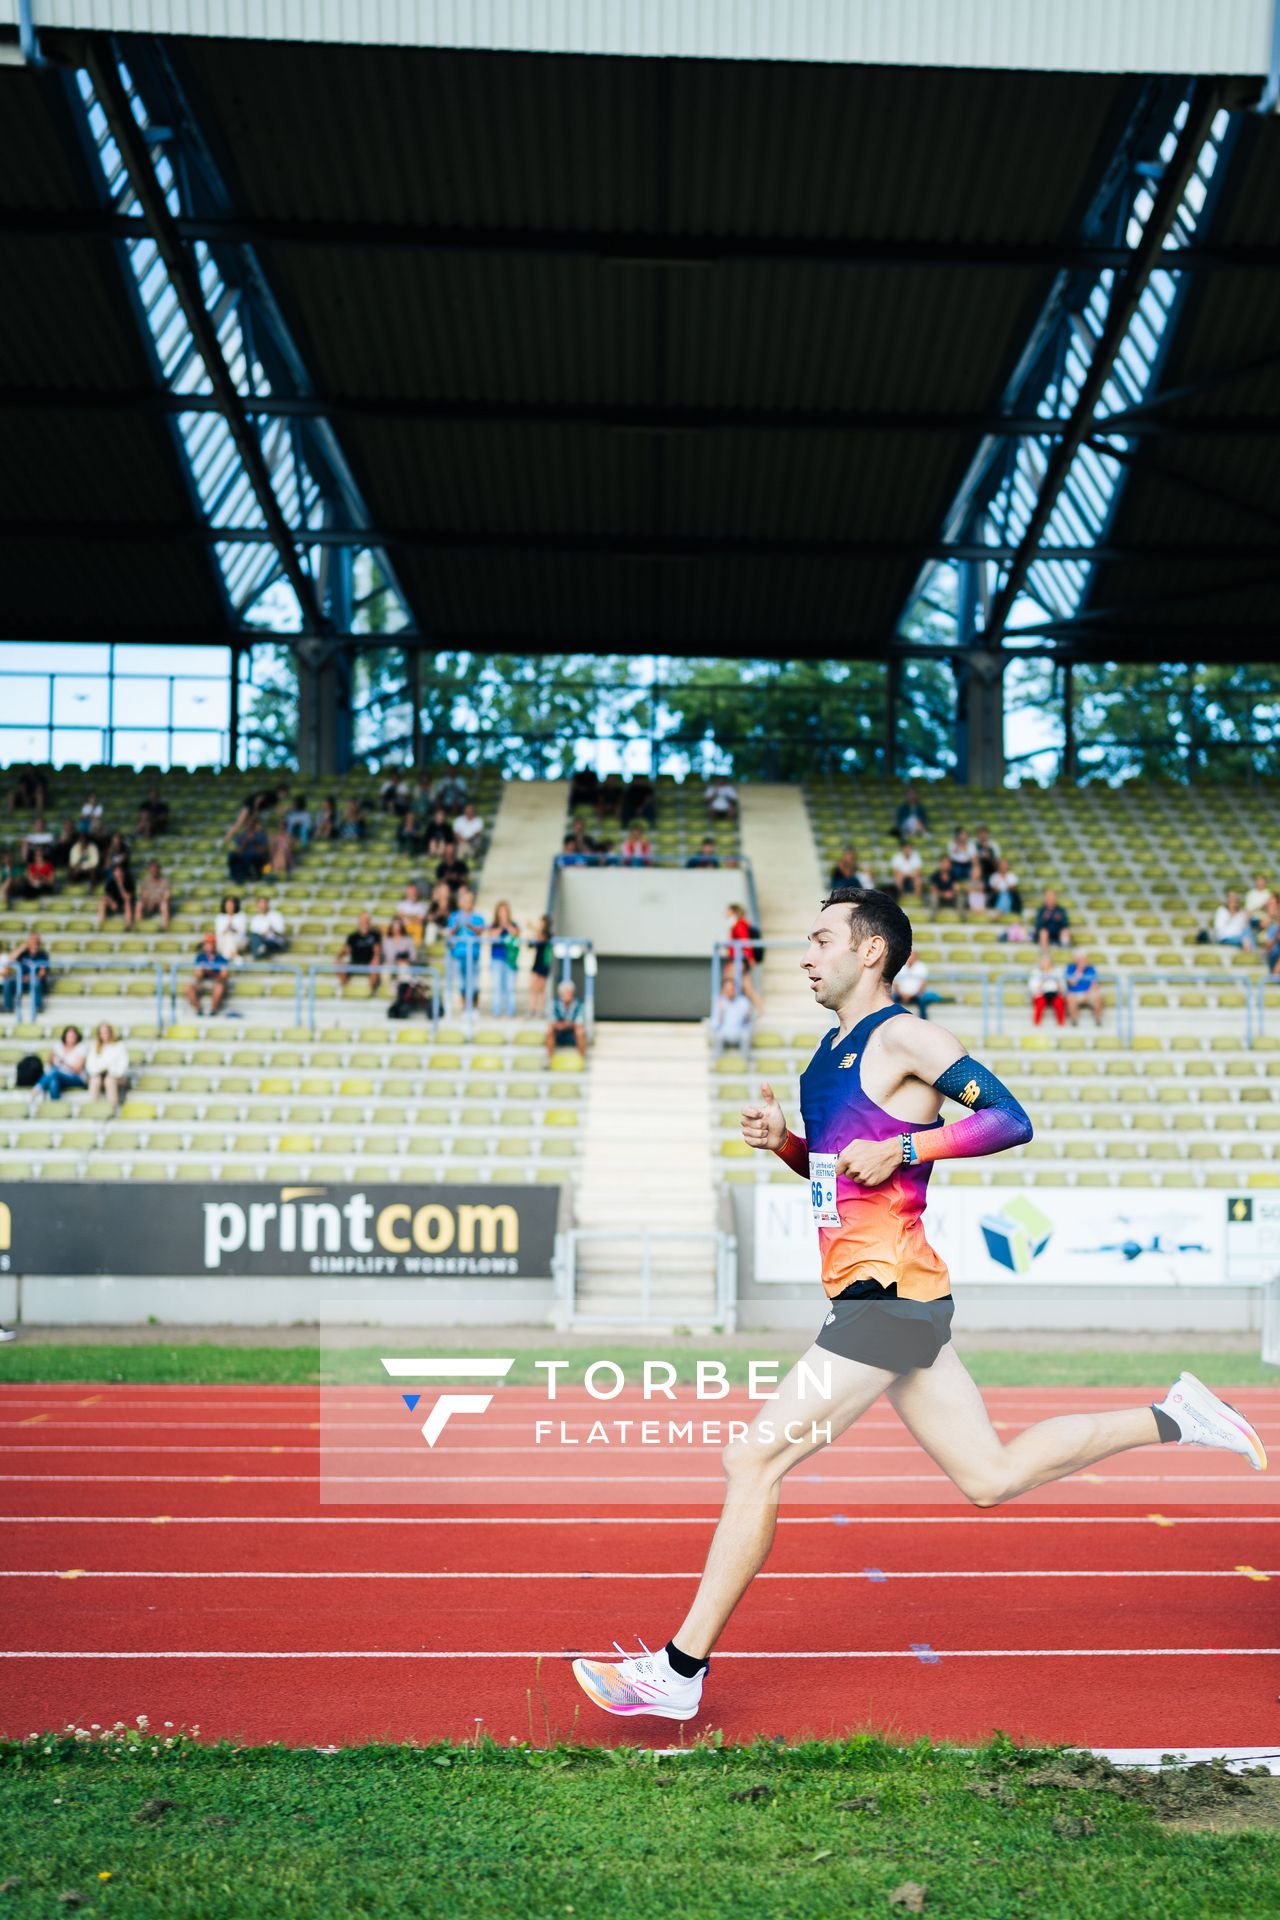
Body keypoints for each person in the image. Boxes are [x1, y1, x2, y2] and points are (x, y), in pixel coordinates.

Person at [570, 885, 1267, 1724]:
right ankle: (1175, 1414)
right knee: (991, 1475)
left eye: (821, 938)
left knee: (752, 1461)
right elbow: (845, 1175)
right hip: (895, 1295)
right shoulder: (829, 1053)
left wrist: (906, 1142)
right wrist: (787, 1144)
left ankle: (679, 1670)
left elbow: (1011, 1120)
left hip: (888, 1296)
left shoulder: (905, 1034)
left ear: (870, 952)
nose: (804, 954)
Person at [445, 886, 486, 1012]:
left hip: (473, 954)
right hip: (459, 954)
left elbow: (480, 931)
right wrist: (457, 926)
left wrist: (470, 925)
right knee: (462, 983)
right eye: (465, 900)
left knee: (473, 982)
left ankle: (474, 1008)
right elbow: (450, 933)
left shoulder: (478, 917)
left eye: (470, 900)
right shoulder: (454, 916)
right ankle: (464, 1008)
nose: (468, 903)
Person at [30, 1024, 88, 1112]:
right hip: (58, 1076)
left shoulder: (81, 1048)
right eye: (69, 1035)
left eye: (73, 1035)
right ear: (65, 1036)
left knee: (54, 1073)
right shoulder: (58, 1046)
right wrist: (52, 1058)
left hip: (76, 1078)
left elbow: (78, 1069)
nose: (71, 1037)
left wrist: (64, 1062)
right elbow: (50, 1063)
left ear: (77, 1037)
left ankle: (37, 1088)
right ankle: (56, 1107)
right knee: (53, 1080)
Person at [726, 902, 765, 1014]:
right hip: (740, 960)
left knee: (727, 983)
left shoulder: (740, 924)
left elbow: (745, 942)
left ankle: (724, 1013)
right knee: (748, 989)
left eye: (728, 911)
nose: (725, 913)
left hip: (740, 960)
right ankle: (762, 1011)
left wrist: (750, 958)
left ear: (733, 912)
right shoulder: (739, 924)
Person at [85, 1021, 129, 1117]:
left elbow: (123, 1065)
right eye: (102, 1032)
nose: (105, 1034)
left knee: (109, 1080)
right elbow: (90, 1065)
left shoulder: (119, 1046)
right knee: (95, 1080)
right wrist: (99, 1071)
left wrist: (111, 1071)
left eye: (106, 1032)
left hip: (116, 1076)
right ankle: (93, 1109)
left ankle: (112, 1109)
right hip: (99, 1075)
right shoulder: (95, 1046)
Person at [1, 930, 50, 1014]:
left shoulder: (43, 954)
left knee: (37, 982)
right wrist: (21, 948)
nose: (33, 941)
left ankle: (38, 1006)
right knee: (7, 982)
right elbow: (10, 960)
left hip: (34, 980)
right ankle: (8, 1006)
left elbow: (42, 972)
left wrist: (31, 977)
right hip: (20, 980)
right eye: (32, 939)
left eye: (35, 939)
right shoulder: (23, 953)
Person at [487, 901, 522, 1018]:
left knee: (510, 986)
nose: (503, 914)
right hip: (497, 958)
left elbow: (516, 934)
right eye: (501, 911)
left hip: (510, 960)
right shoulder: (493, 925)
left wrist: (507, 925)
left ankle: (510, 1011)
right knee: (497, 986)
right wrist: (501, 926)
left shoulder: (514, 925)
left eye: (505, 911)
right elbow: (492, 936)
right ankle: (496, 1011)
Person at [183, 933, 231, 1016]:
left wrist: (211, 971)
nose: (208, 946)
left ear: (214, 945)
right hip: (203, 981)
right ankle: (198, 1009)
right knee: (188, 988)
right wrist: (203, 971)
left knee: (219, 987)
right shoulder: (200, 958)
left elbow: (224, 975)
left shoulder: (221, 959)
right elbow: (197, 975)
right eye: (207, 943)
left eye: (210, 943)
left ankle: (213, 1010)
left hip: (215, 982)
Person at [709, 975, 753, 1062]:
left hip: (738, 1032)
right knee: (718, 1036)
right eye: (727, 990)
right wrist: (721, 1012)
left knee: (746, 1036)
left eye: (732, 989)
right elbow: (715, 1025)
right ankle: (718, 1063)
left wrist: (747, 1016)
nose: (730, 992)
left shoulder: (743, 1002)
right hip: (724, 1033)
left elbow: (747, 1025)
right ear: (723, 990)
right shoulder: (719, 1002)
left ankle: (745, 1064)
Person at [336, 912, 382, 994]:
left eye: (366, 921)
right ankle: (344, 986)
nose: (364, 923)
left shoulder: (375, 935)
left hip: (369, 963)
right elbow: (346, 949)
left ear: (369, 922)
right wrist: (339, 957)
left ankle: (372, 990)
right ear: (359, 922)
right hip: (355, 963)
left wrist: (376, 957)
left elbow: (377, 950)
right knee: (338, 962)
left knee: (376, 961)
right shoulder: (353, 936)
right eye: (362, 921)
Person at [545, 977, 587, 1062]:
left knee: (580, 1031)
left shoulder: (579, 1005)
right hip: (559, 1034)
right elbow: (552, 1021)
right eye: (565, 992)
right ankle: (550, 1060)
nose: (567, 994)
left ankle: (581, 1060)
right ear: (560, 993)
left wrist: (565, 1025)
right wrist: (567, 1024)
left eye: (569, 992)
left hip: (573, 1035)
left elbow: (579, 1022)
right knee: (549, 1030)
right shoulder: (554, 1004)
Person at [892, 948, 941, 1020]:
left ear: (916, 957)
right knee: (891, 999)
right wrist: (902, 994)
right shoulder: (900, 966)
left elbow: (923, 984)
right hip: (901, 994)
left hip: (916, 994)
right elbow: (895, 983)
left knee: (922, 1000)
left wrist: (912, 995)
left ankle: (924, 1020)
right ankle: (893, 1020)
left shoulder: (921, 967)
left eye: (912, 956)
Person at [1064, 950, 1104, 1028]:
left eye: (1084, 959)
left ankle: (1098, 1019)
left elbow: (1094, 984)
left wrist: (1088, 993)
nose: (1083, 961)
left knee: (1098, 997)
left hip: (1088, 992)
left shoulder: (1091, 969)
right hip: (1075, 993)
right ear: (1076, 960)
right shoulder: (1070, 968)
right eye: (1080, 959)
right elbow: (1072, 983)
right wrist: (1080, 970)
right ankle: (1074, 1020)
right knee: (1070, 998)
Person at [1029, 951, 1065, 1028]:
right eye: (1044, 962)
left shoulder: (1057, 972)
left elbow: (1063, 986)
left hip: (1054, 993)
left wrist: (1059, 986)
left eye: (1047, 962)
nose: (1045, 964)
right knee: (1040, 1002)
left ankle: (1061, 1024)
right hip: (1041, 994)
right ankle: (1036, 1024)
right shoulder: (1036, 972)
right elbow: (1032, 988)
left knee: (1059, 1002)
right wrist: (1042, 983)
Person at [527, 915, 554, 1017]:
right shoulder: (538, 934)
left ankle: (541, 1010)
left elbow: (542, 938)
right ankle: (532, 1009)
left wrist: (532, 928)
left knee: (541, 989)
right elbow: (531, 945)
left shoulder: (548, 934)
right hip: (537, 962)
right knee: (533, 987)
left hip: (544, 964)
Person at [249, 895, 288, 960]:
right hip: (261, 941)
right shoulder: (255, 919)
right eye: (260, 904)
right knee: (255, 938)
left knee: (262, 943)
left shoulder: (276, 915)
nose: (262, 906)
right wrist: (263, 934)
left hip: (274, 941)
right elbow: (255, 934)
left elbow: (281, 932)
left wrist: (272, 930)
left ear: (267, 904)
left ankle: (258, 953)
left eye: (264, 903)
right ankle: (259, 952)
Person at [381, 914, 417, 982]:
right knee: (385, 970)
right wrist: (394, 961)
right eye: (394, 925)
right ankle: (387, 989)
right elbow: (385, 956)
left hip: (404, 964)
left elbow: (413, 956)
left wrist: (406, 960)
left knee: (404, 968)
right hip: (390, 964)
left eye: (398, 925)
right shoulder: (386, 940)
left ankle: (402, 990)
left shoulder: (408, 940)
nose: (396, 928)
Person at [137, 861, 172, 930]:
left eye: (156, 868)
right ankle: (138, 925)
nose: (154, 871)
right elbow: (144, 895)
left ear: (159, 869)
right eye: (152, 869)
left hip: (160, 903)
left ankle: (165, 926)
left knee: (164, 904)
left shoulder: (165, 882)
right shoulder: (145, 882)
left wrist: (157, 902)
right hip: (149, 903)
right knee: (139, 903)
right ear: (149, 870)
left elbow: (167, 896)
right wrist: (149, 902)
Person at [927, 854, 963, 920]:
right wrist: (944, 894)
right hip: (940, 898)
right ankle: (932, 918)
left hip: (951, 898)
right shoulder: (935, 875)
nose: (946, 864)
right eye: (945, 862)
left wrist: (951, 893)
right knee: (933, 897)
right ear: (941, 863)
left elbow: (957, 888)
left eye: (948, 862)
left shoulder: (953, 875)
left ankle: (962, 918)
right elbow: (933, 890)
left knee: (960, 897)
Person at [214, 895, 248, 963]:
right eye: (228, 904)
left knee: (230, 936)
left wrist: (233, 928)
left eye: (232, 904)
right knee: (228, 936)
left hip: (238, 941)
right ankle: (236, 957)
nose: (230, 906)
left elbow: (242, 933)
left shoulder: (241, 916)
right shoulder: (219, 917)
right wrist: (227, 928)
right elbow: (219, 934)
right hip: (224, 942)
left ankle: (226, 959)